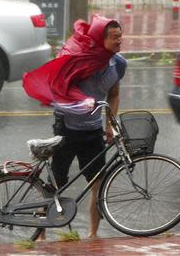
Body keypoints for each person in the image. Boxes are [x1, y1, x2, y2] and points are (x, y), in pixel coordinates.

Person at [23, 15, 125, 238]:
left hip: (93, 132)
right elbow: (59, 86)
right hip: (67, 130)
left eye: (121, 37)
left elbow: (114, 94)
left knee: (97, 184)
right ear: (101, 39)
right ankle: (40, 237)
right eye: (114, 38)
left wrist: (109, 124)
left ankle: (93, 235)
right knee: (55, 185)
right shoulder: (79, 60)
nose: (119, 42)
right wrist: (78, 101)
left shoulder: (118, 64)